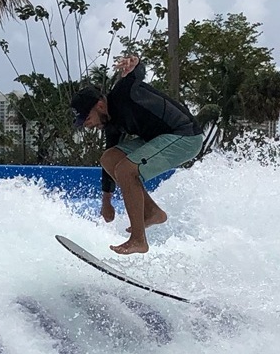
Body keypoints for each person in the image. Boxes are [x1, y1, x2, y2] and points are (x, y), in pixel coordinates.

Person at [71, 54, 204, 254]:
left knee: (126, 169)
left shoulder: (124, 93)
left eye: (87, 118)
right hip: (161, 138)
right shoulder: (112, 124)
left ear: (99, 105)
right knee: (109, 157)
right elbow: (109, 165)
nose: (88, 124)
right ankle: (152, 212)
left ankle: (138, 241)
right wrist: (106, 202)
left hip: (185, 136)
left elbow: (137, 73)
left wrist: (134, 63)